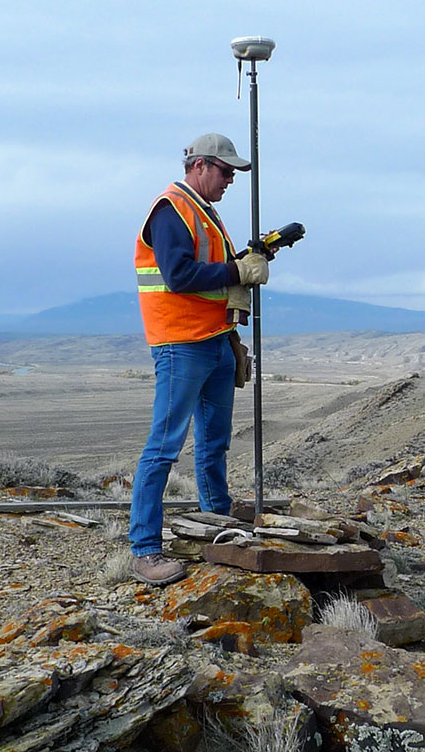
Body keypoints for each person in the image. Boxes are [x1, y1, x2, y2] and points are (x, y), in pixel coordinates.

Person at [127, 133, 270, 585]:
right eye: (226, 171)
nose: (230, 180)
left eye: (233, 174)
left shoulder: (206, 214)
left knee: (214, 442)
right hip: (181, 344)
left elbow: (215, 277)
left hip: (215, 340)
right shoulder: (172, 209)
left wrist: (243, 266)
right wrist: (236, 270)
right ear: (201, 166)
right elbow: (179, 275)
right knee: (164, 446)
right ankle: (145, 550)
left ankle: (217, 527)